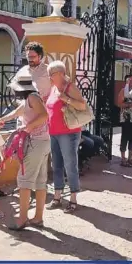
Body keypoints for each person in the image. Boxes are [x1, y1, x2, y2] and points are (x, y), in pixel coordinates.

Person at [0, 74, 50, 230]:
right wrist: (1, 120)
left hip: (35, 143)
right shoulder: (31, 99)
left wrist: (28, 128)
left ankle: (22, 219)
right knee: (40, 182)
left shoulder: (33, 98)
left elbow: (44, 116)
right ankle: (38, 218)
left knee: (24, 181)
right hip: (42, 143)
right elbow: (15, 113)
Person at [45, 60, 87, 213]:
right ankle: (57, 197)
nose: (50, 77)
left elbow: (82, 105)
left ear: (61, 74)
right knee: (56, 165)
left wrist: (67, 99)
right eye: (49, 74)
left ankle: (73, 199)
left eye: (52, 74)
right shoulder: (53, 89)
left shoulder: (70, 88)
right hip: (54, 132)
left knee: (70, 165)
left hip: (69, 133)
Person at [117, 74, 132, 167]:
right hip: (126, 118)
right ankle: (123, 158)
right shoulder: (123, 91)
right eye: (130, 81)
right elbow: (119, 103)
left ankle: (130, 158)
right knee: (125, 137)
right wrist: (130, 105)